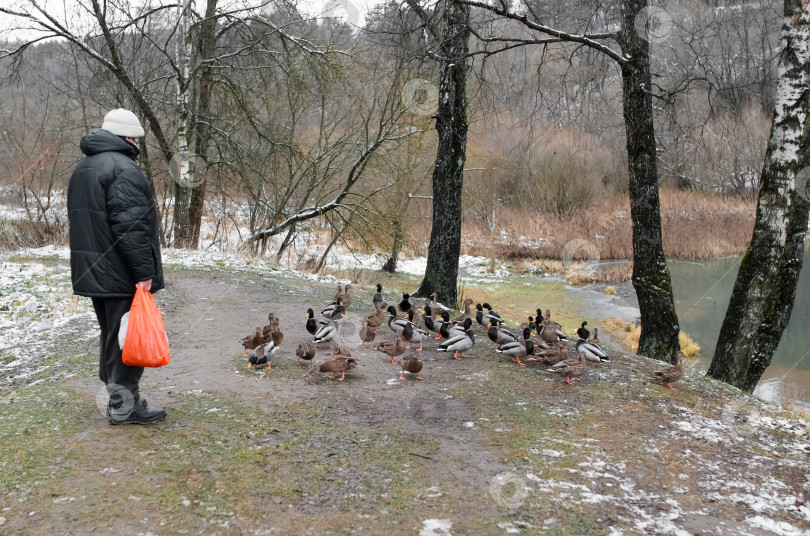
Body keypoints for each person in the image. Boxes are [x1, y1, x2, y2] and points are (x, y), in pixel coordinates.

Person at [67, 108, 166, 425]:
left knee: (113, 336)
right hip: (120, 271)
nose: (137, 144)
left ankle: (118, 400)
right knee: (128, 339)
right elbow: (131, 228)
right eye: (135, 139)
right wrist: (144, 273)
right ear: (129, 137)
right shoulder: (123, 169)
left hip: (95, 270)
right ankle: (125, 406)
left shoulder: (85, 167)